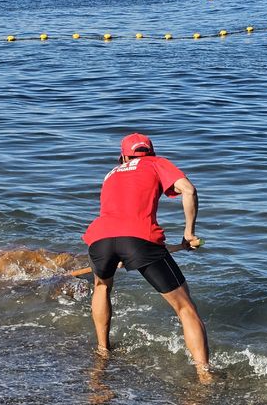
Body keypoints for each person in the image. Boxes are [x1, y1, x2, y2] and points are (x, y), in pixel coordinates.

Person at [83, 133, 212, 383]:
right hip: (139, 239)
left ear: (123, 156)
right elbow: (188, 190)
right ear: (149, 152)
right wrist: (189, 233)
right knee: (185, 308)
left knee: (101, 287)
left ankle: (102, 350)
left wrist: (119, 252)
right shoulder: (156, 163)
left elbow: (118, 214)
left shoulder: (111, 174)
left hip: (100, 239)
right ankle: (204, 374)